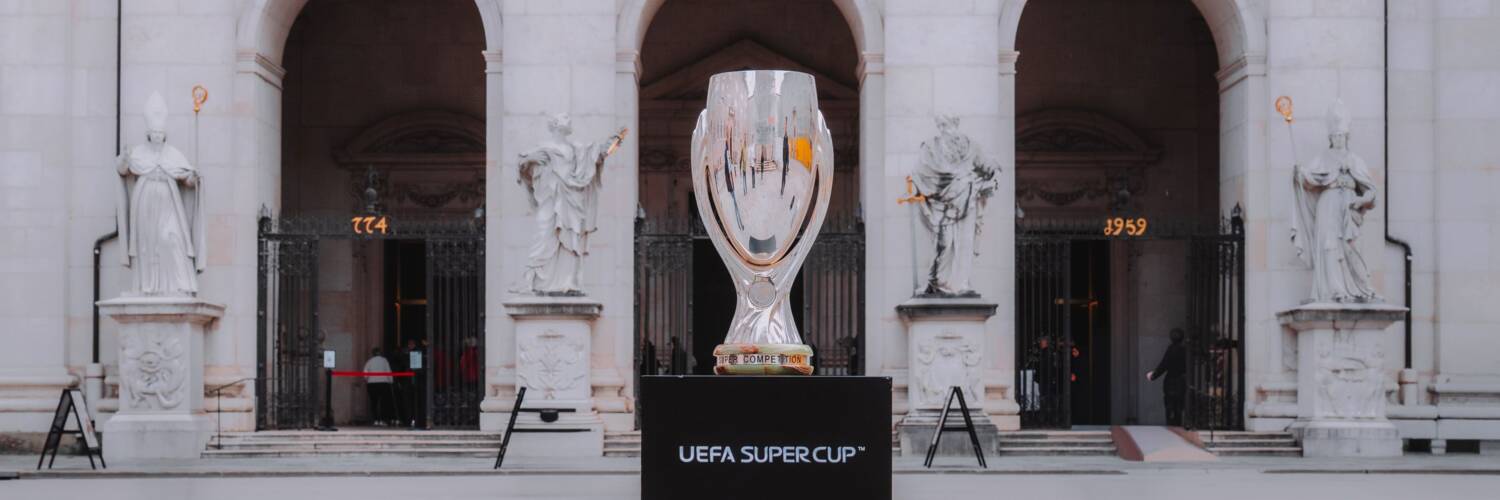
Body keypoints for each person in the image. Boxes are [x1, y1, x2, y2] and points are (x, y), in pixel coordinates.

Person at [1146, 328, 1187, 426]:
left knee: (1169, 404)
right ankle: (1178, 424)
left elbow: (1164, 365)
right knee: (1179, 405)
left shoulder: (1171, 349)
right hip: (1182, 380)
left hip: (1171, 380)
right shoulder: (1185, 350)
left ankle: (1171, 425)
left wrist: (1153, 376)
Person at [364, 347, 394, 426]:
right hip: (383, 383)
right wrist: (391, 381)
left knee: (374, 402)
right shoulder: (384, 361)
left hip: (372, 383)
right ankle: (383, 419)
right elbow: (388, 371)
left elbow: (365, 373)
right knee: (384, 402)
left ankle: (376, 419)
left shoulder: (369, 361)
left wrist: (367, 380)